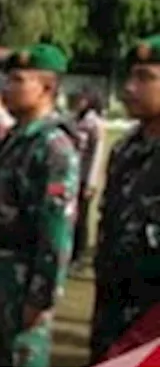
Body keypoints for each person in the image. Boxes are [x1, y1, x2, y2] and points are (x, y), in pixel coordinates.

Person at [0, 45, 80, 367]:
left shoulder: (53, 146)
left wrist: (41, 296)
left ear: (47, 88)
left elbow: (56, 229)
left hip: (23, 280)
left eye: (18, 80)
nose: (7, 88)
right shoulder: (14, 139)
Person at [89, 36, 160, 363]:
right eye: (130, 76)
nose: (129, 88)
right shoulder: (126, 149)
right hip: (113, 308)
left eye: (145, 77)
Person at [71, 87, 108, 271]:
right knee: (69, 214)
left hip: (84, 177)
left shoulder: (95, 124)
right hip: (71, 175)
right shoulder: (74, 119)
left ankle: (79, 254)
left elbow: (97, 154)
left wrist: (91, 182)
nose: (79, 102)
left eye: (82, 99)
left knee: (81, 218)